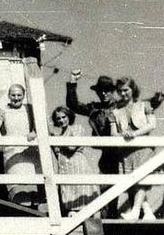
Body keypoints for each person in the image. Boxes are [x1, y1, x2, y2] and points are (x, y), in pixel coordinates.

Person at [109, 76, 157, 221]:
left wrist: (134, 134)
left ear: (132, 89)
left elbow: (151, 125)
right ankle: (148, 212)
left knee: (141, 180)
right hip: (127, 151)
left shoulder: (145, 105)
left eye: (126, 90)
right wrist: (123, 135)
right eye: (120, 91)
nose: (123, 94)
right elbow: (113, 133)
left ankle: (135, 211)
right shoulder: (115, 111)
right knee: (133, 183)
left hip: (143, 148)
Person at [0, 84, 42, 207]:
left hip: (29, 152)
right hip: (13, 152)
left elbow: (39, 123)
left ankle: (33, 215)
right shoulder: (3, 109)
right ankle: (20, 214)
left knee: (33, 186)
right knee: (18, 189)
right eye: (13, 95)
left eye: (19, 95)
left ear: (23, 96)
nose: (16, 98)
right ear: (9, 96)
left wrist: (34, 132)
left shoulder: (29, 109)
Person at [50, 106, 99, 216]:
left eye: (64, 117)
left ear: (69, 117)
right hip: (65, 168)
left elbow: (71, 147)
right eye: (58, 119)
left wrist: (57, 140)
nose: (62, 120)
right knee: (69, 197)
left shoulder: (76, 128)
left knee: (84, 195)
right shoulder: (59, 134)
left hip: (77, 164)